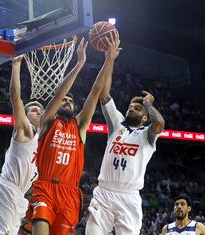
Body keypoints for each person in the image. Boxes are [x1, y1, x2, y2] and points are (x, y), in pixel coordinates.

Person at [23, 34, 121, 235]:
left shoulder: (80, 126)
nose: (67, 101)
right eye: (64, 100)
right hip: (45, 187)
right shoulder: (47, 122)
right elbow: (59, 93)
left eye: (70, 101)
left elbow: (95, 91)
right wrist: (79, 65)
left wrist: (109, 60)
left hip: (70, 192)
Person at [85, 50, 165, 234]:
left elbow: (159, 123)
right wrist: (110, 59)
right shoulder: (116, 125)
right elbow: (104, 94)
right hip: (103, 192)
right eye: (130, 107)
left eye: (137, 108)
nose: (131, 109)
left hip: (129, 196)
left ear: (145, 117)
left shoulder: (147, 135)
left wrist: (148, 104)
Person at [0, 55, 44, 235]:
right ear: (25, 115)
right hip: (4, 191)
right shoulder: (25, 130)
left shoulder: (43, 141)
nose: (39, 112)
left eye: (41, 110)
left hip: (19, 197)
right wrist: (16, 66)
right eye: (34, 110)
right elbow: (16, 98)